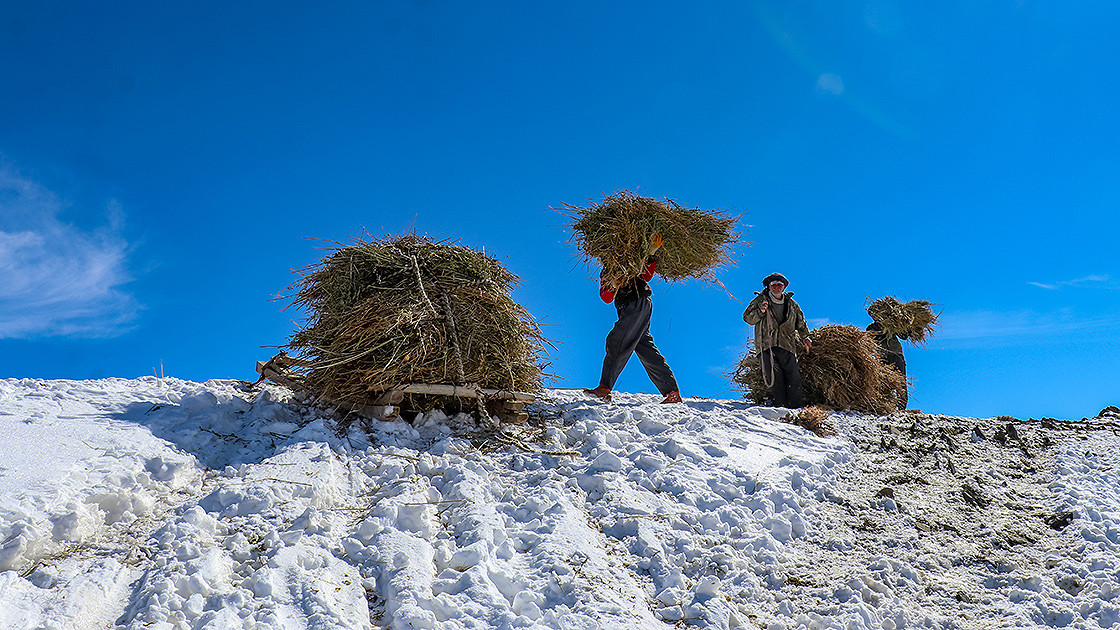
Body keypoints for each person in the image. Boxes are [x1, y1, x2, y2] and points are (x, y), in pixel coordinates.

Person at [584, 233, 682, 404]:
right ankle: (671, 392)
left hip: (637, 302)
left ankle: (605, 388)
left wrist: (651, 253)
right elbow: (606, 297)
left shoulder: (631, 261)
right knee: (645, 348)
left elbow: (646, 274)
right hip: (629, 309)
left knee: (616, 340)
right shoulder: (607, 271)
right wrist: (614, 283)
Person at [742, 272, 811, 408]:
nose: (776, 287)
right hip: (766, 346)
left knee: (794, 378)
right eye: (774, 285)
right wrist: (760, 312)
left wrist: (805, 337)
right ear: (769, 286)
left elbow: (800, 322)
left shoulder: (792, 304)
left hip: (787, 345)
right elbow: (748, 318)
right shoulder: (760, 300)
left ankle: (797, 409)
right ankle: (781, 408)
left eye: (780, 285)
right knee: (775, 378)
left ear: (784, 287)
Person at [867, 320, 908, 409]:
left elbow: (904, 336)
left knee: (901, 380)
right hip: (882, 356)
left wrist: (899, 326)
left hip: (896, 354)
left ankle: (902, 407)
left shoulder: (892, 324)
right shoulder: (871, 327)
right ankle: (886, 405)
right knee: (883, 381)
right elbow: (870, 340)